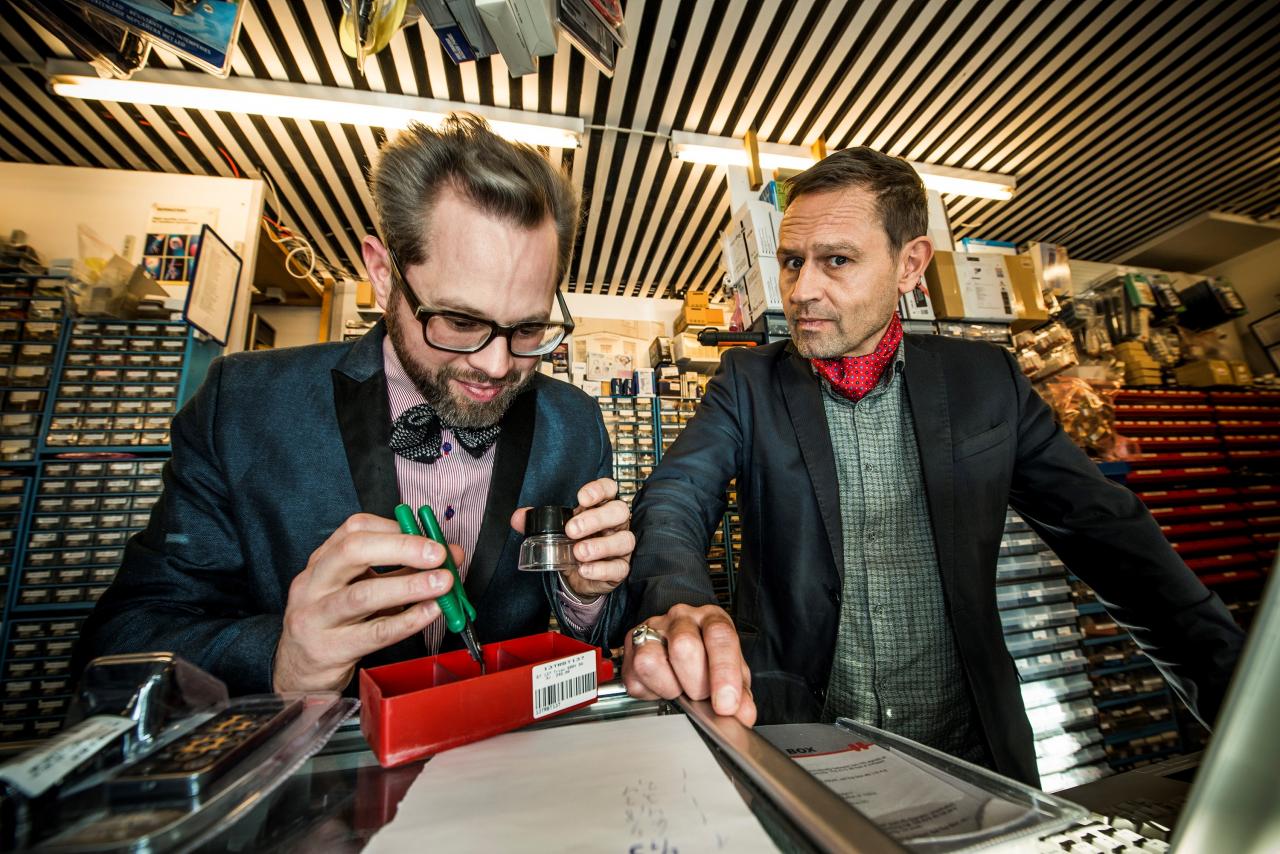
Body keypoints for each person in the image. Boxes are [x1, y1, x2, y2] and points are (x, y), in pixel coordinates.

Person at [621, 147, 1244, 785]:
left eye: (837, 260)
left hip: (971, 756)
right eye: (792, 261)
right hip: (801, 747)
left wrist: (1243, 711)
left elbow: (1110, 535)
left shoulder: (986, 383)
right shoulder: (747, 382)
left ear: (910, 264)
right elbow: (676, 495)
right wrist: (679, 600)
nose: (802, 289)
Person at [76, 114, 633, 695]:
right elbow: (121, 642)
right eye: (460, 321)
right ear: (383, 275)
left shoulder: (575, 425)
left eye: (529, 328)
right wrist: (282, 659)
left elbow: (609, 632)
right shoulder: (242, 406)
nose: (496, 366)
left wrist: (584, 594)